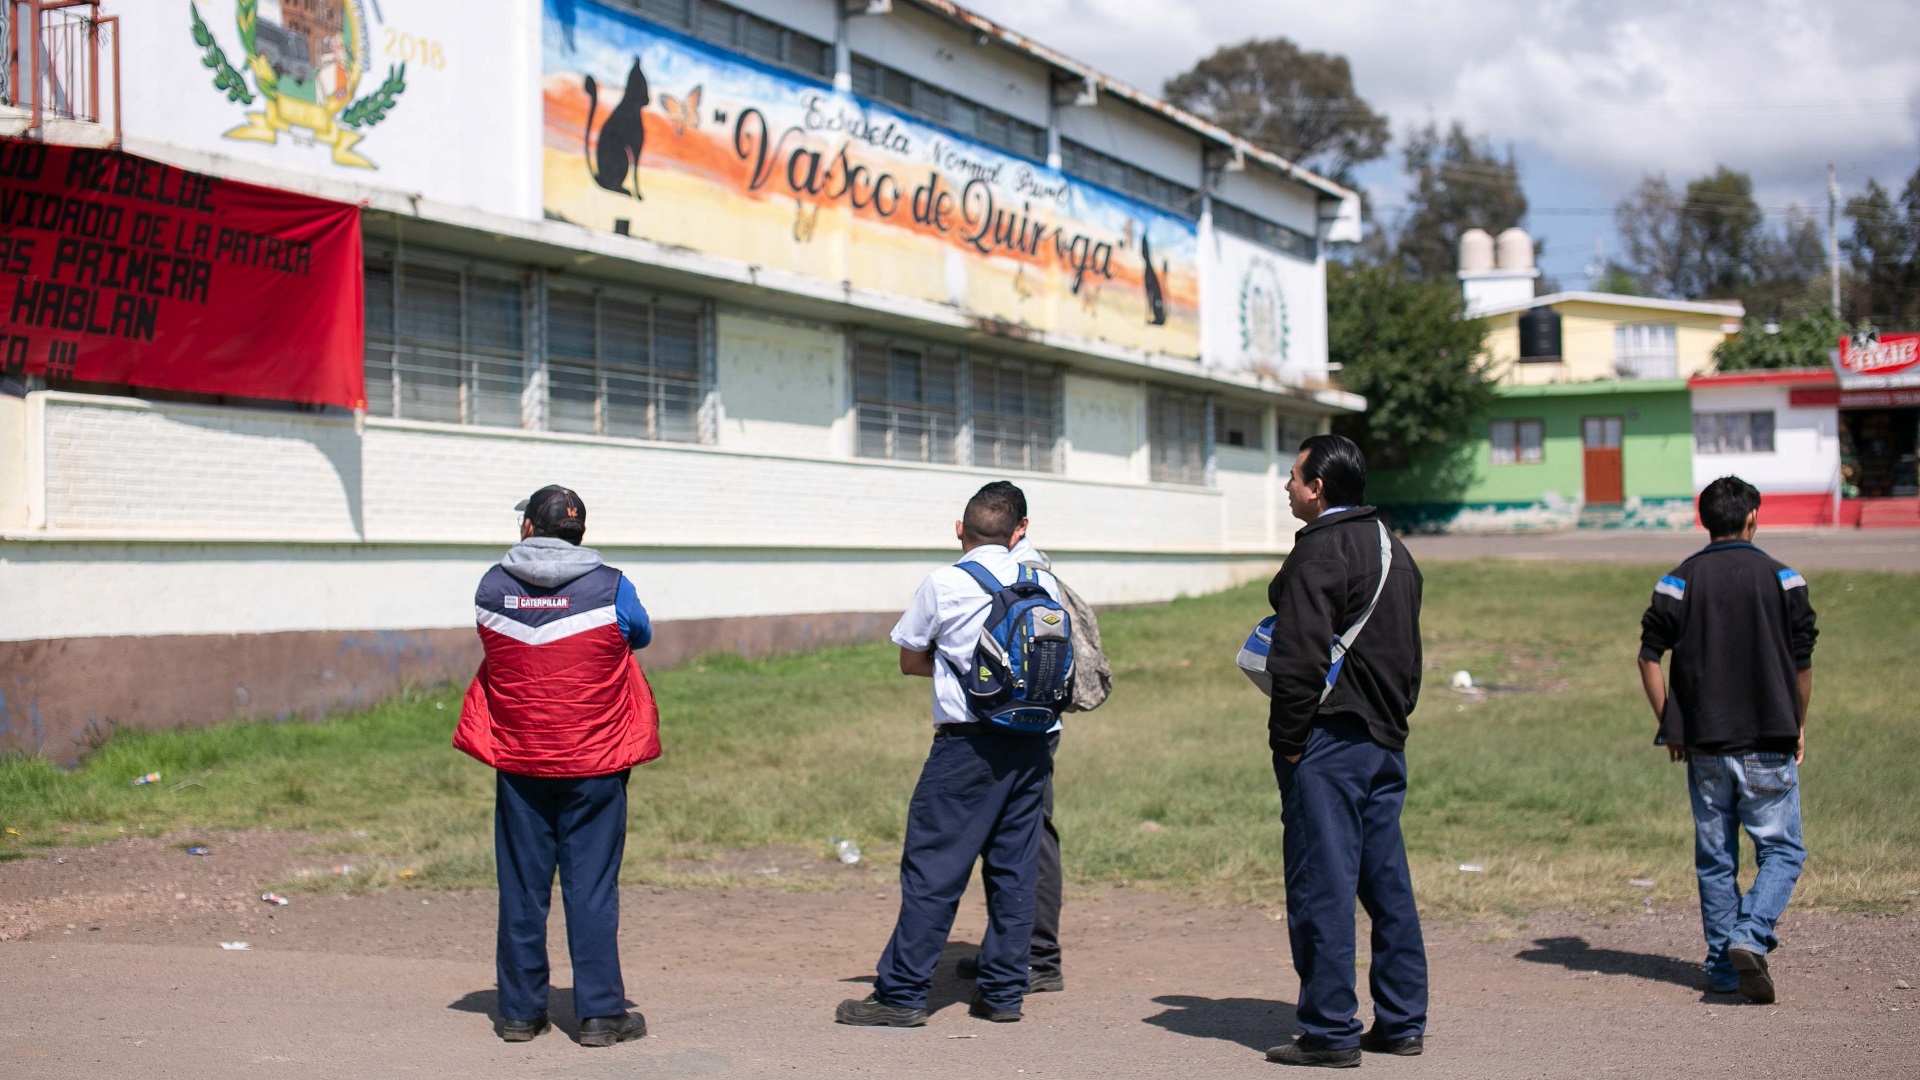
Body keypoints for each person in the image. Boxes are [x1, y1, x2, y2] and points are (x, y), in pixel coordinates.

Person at [836, 481, 1063, 1027]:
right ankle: (1003, 993)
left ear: (960, 530)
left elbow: (910, 661)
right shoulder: (1044, 581)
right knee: (1015, 868)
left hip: (968, 745)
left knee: (934, 866)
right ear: (1018, 532)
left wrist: (956, 665)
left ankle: (902, 995)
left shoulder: (944, 583)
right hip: (1033, 741)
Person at [453, 485, 660, 1047]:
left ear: (528, 528)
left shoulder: (491, 586)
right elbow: (639, 633)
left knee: (522, 887)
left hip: (521, 760)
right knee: (591, 887)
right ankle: (600, 1015)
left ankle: (520, 1013)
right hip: (596, 760)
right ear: (580, 532)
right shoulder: (612, 586)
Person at [1263, 434, 1428, 1068]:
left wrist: (1289, 743)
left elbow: (1298, 660)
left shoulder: (1319, 549)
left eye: (1294, 476)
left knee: (1320, 887)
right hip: (1385, 740)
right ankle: (1402, 1021)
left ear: (1318, 488)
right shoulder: (1394, 549)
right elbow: (1408, 657)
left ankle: (1329, 1031)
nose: (1287, 486)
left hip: (1329, 743)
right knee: (1387, 886)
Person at [1638, 475, 1816, 1005]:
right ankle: (1750, 934)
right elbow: (1802, 663)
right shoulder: (1785, 579)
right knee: (1782, 851)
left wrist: (1671, 722)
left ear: (1704, 520)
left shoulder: (1677, 582)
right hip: (1769, 740)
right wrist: (1798, 722)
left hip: (1705, 746)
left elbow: (1649, 656)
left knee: (1716, 860)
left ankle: (1722, 970)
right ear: (1753, 518)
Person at [954, 522, 1113, 994]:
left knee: (1029, 838)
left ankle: (1037, 956)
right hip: (1030, 723)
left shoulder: (1026, 570)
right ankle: (1009, 949)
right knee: (1010, 838)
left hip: (1025, 727)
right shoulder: (1025, 567)